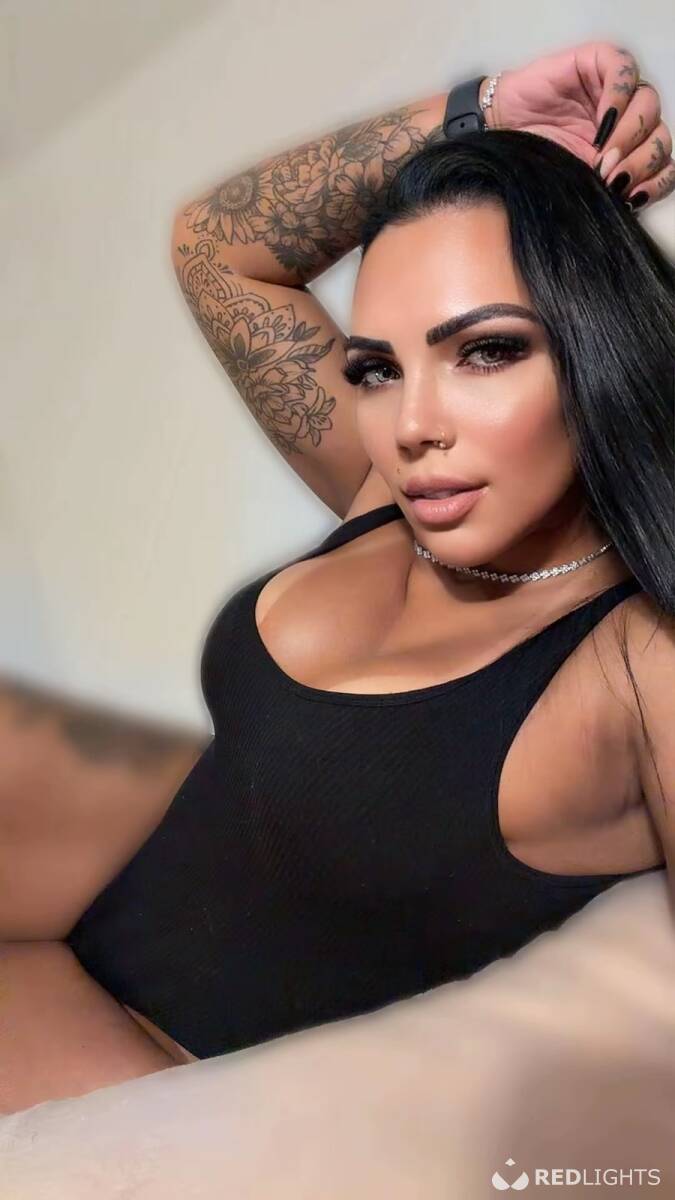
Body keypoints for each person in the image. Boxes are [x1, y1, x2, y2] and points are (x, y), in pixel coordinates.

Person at [5, 40, 674, 1107]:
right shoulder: (387, 499)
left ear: (603, 346)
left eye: (486, 351)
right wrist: (486, 112)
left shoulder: (640, 666)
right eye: (376, 368)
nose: (413, 424)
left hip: (127, 1124)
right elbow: (219, 244)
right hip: (46, 971)